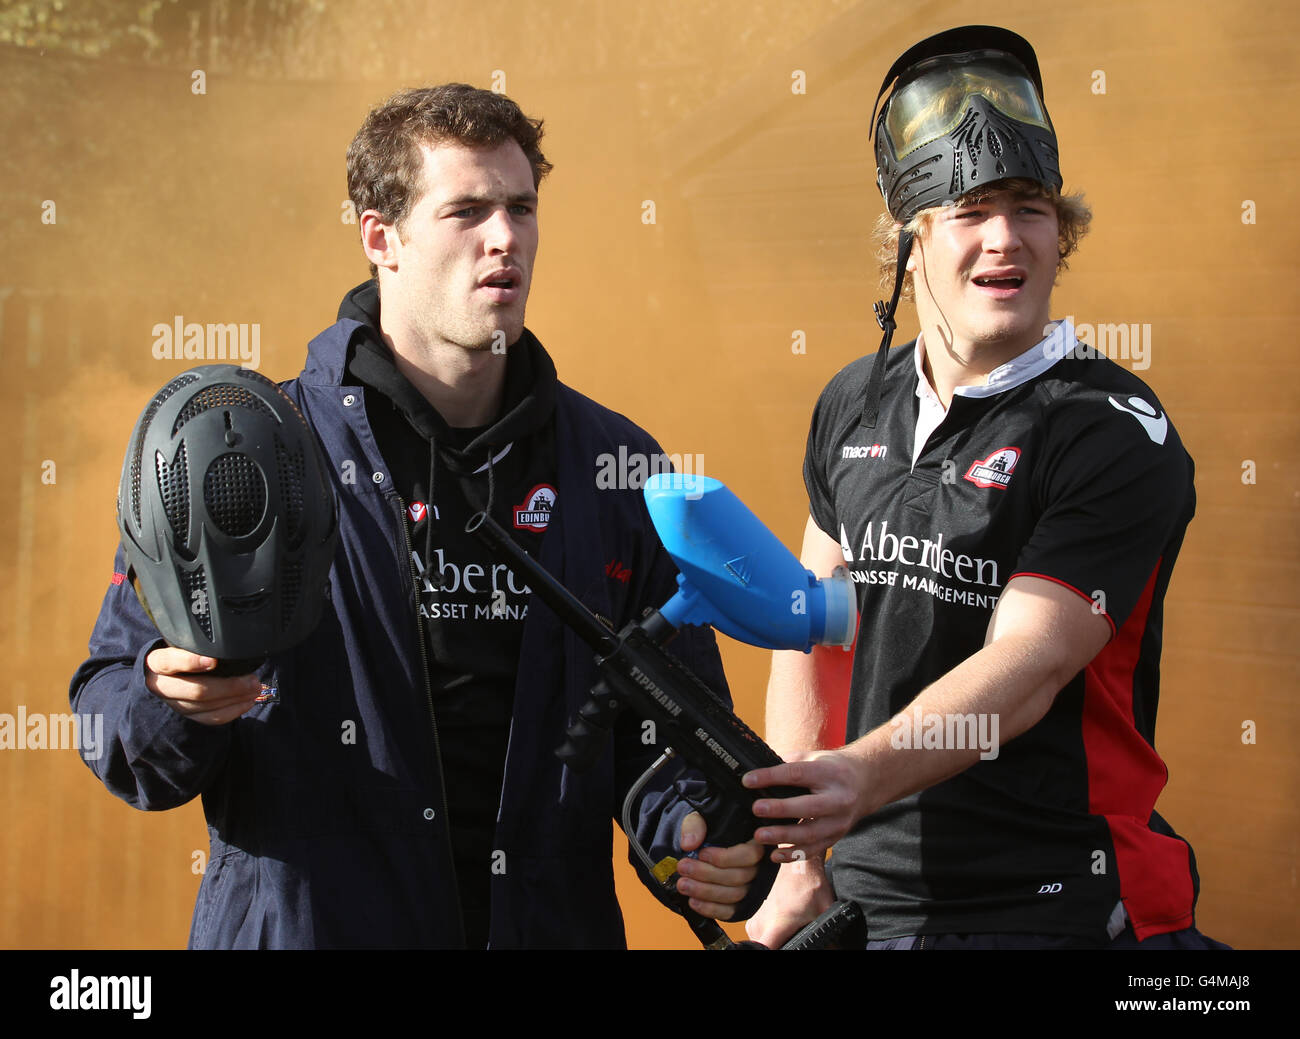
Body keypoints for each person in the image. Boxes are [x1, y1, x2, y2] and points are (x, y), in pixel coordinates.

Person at [71, 83, 765, 949]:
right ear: (380, 236)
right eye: (466, 210)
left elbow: (671, 743)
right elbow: (106, 712)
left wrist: (704, 838)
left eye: (521, 207)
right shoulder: (243, 455)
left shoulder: (618, 469)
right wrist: (168, 699)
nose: (504, 237)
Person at [743, 27, 1223, 950]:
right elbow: (817, 626)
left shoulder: (1113, 428)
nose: (1005, 238)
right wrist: (803, 862)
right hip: (872, 898)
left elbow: (1028, 670)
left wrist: (855, 779)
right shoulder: (853, 399)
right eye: (968, 210)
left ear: (1062, 231)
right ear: (908, 244)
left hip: (1061, 899)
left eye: (1030, 208)